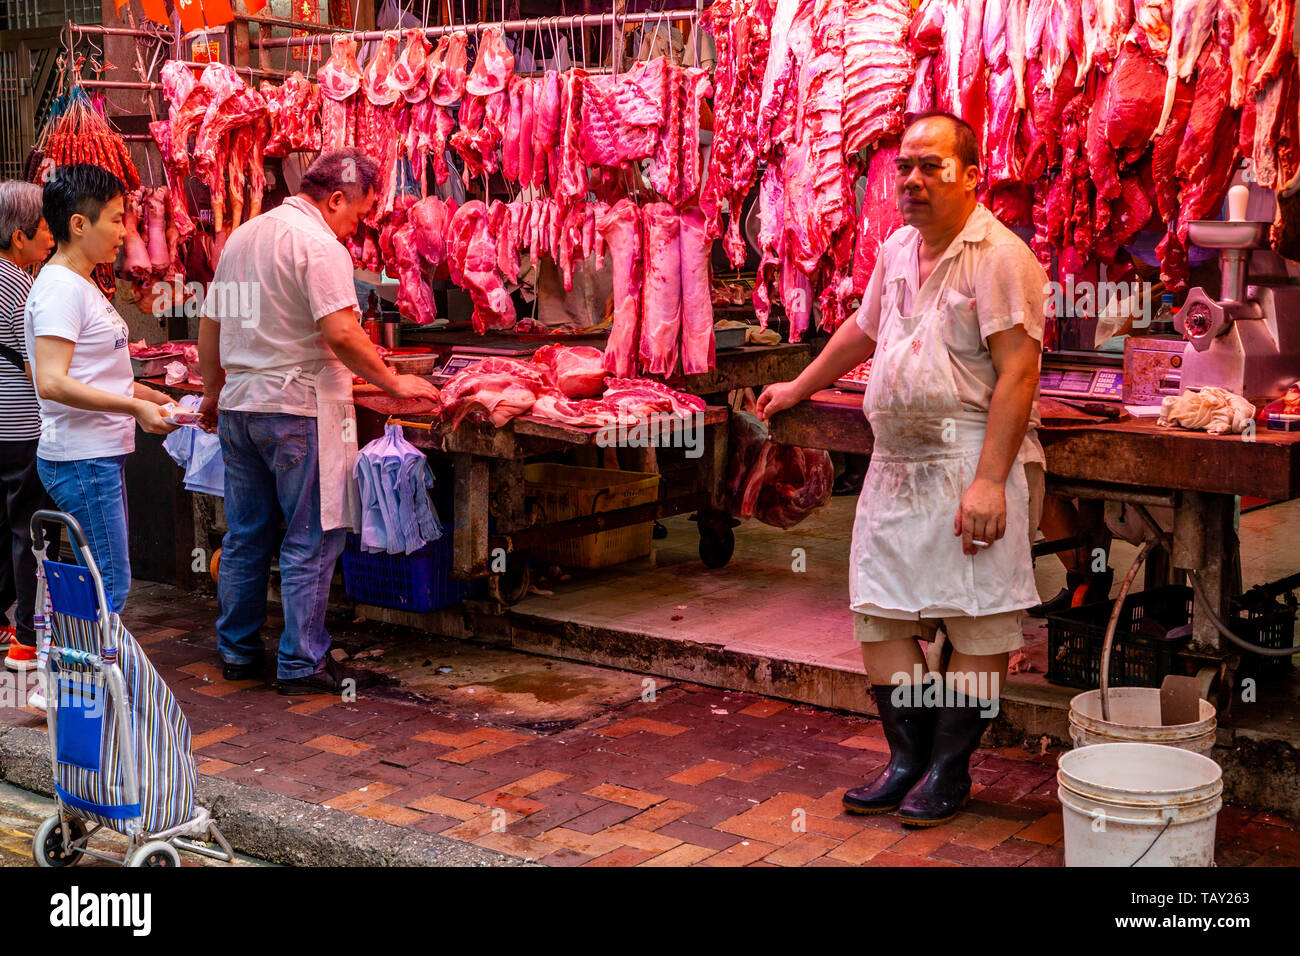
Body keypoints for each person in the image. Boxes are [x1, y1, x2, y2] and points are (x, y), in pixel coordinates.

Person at [757, 112, 1047, 827]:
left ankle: (950, 769)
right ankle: (906, 760)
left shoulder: (999, 257)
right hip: (897, 469)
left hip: (969, 464)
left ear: (972, 174)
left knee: (978, 624)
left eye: (932, 166)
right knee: (880, 616)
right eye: (905, 167)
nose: (913, 181)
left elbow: (1019, 373)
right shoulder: (896, 249)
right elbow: (863, 328)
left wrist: (988, 481)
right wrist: (801, 385)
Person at [197, 148, 440, 696]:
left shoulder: (242, 237)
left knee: (246, 535)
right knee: (311, 537)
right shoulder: (318, 244)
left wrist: (213, 392)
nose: (357, 229)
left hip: (241, 408)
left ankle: (237, 651)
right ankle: (302, 663)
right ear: (335, 199)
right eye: (358, 215)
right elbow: (342, 333)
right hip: (297, 410)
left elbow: (209, 327)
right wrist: (395, 383)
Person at [25, 165, 176, 619]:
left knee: (101, 576)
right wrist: (133, 406)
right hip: (81, 457)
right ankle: (88, 680)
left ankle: (84, 677)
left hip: (94, 456)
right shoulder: (59, 290)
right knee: (109, 578)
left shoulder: (81, 282)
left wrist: (152, 397)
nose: (122, 232)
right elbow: (51, 381)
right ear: (78, 224)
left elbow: (94, 374)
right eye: (114, 219)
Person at [0, 181, 56, 670]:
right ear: (19, 237)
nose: (51, 238)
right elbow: (37, 365)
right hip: (21, 426)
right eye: (43, 229)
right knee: (29, 529)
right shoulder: (21, 286)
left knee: (3, 524)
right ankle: (26, 639)